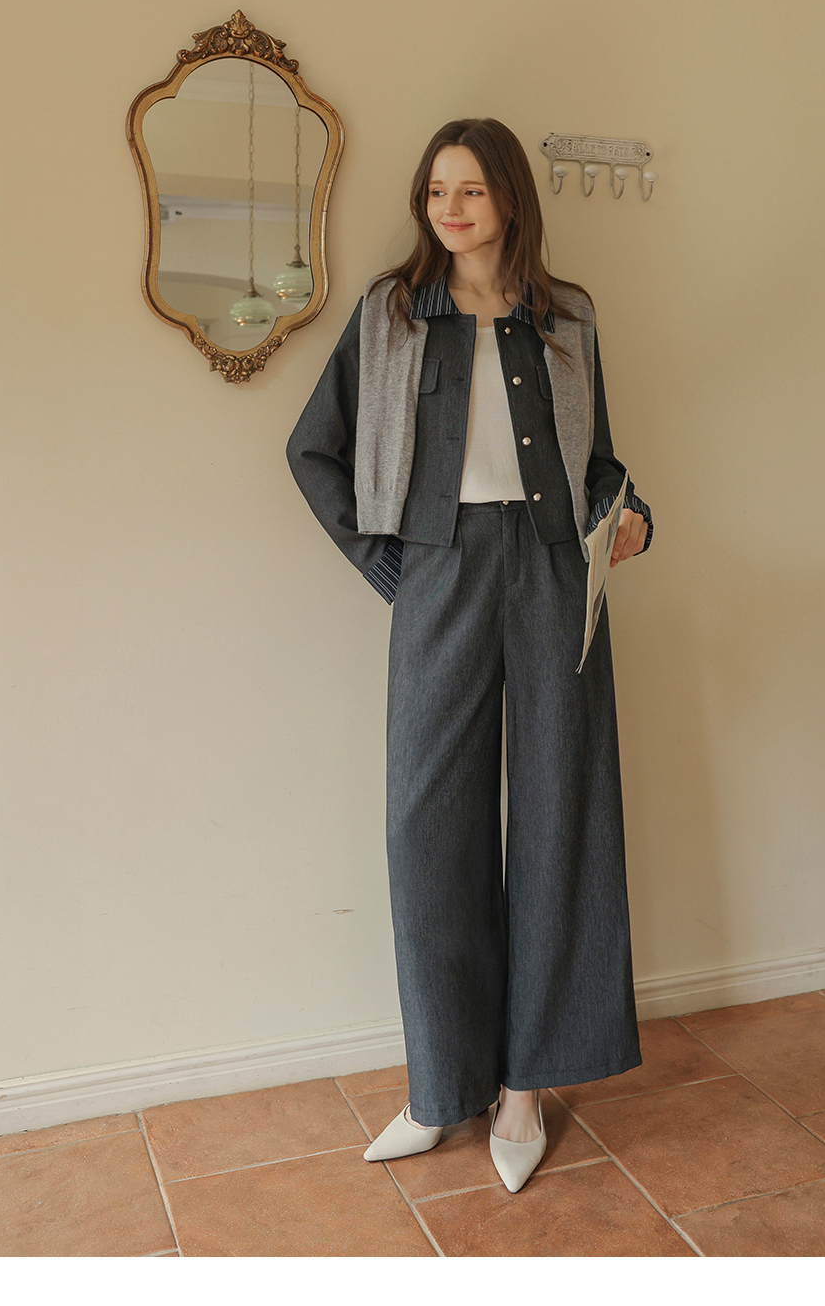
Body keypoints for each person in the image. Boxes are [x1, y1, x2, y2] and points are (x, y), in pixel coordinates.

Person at [287, 117, 652, 1193]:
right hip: (438, 573)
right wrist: (390, 566)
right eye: (436, 190)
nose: (448, 208)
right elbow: (311, 449)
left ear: (509, 200)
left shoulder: (567, 316)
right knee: (427, 825)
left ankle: (526, 1086)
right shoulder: (392, 313)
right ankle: (440, 1086)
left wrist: (630, 516)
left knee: (559, 815)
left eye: (471, 190)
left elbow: (599, 464)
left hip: (553, 573)